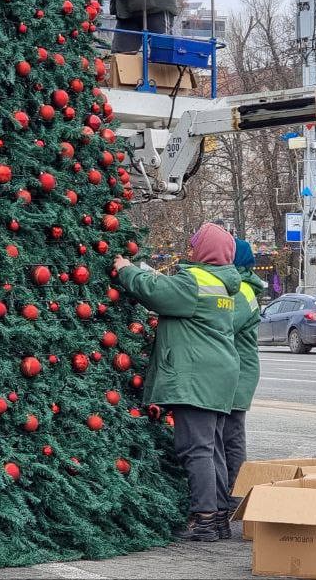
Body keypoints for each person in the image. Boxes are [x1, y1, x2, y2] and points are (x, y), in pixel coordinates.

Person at [112, 222, 241, 542]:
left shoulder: (195, 281)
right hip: (219, 374)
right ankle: (220, 517)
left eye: (195, 243)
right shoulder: (222, 283)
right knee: (213, 450)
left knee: (195, 449)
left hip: (196, 376)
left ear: (205, 250)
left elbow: (156, 293)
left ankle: (205, 521)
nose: (190, 248)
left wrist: (126, 269)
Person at [221, 239, 267, 529]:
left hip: (238, 373)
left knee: (231, 437)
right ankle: (235, 494)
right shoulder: (244, 287)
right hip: (239, 371)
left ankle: (236, 497)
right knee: (231, 435)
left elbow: (223, 322)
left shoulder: (242, 291)